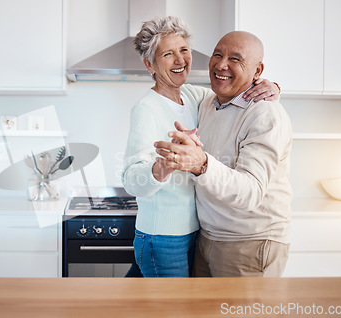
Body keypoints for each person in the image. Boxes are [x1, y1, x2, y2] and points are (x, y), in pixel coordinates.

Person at [122, 17, 280, 278]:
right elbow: (131, 179)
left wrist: (272, 86)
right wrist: (161, 167)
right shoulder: (146, 109)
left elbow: (235, 91)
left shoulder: (195, 97)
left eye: (184, 50)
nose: (180, 60)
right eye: (168, 54)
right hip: (162, 236)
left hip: (194, 231)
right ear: (149, 64)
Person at [154, 31, 293, 277]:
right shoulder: (209, 102)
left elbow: (251, 191)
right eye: (217, 55)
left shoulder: (266, 114)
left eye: (235, 59)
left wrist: (202, 164)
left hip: (250, 242)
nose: (221, 64)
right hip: (207, 238)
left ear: (257, 71)